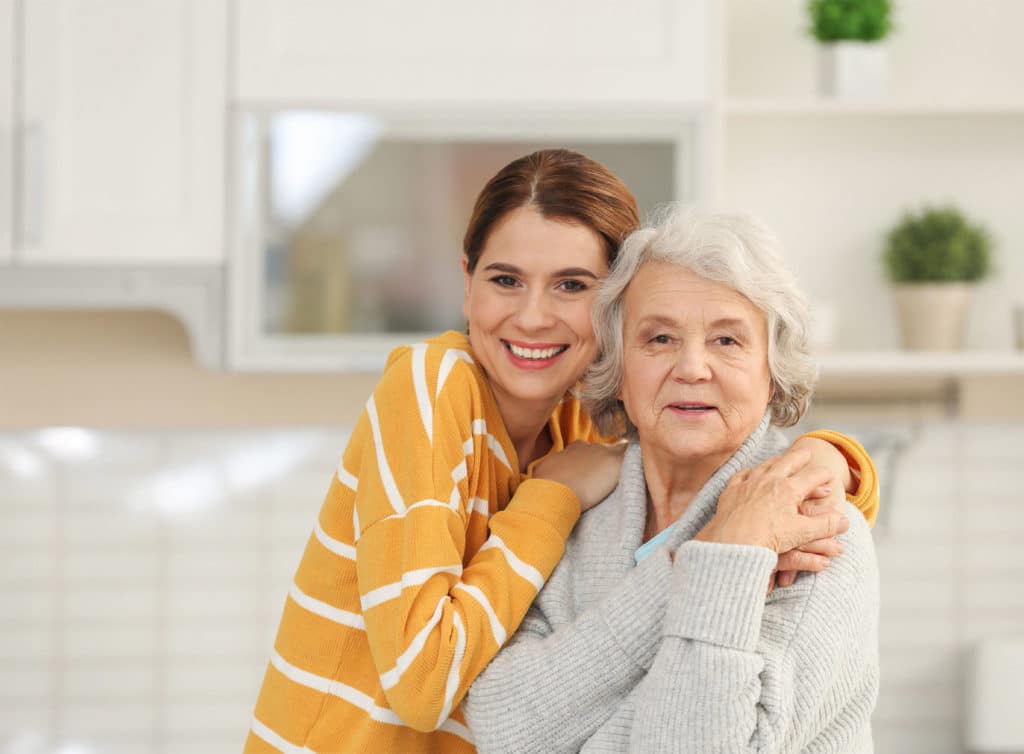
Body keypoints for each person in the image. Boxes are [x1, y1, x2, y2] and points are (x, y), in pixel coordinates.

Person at [245, 153, 879, 754]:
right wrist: (712, 554)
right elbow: (458, 700)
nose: (533, 317)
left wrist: (834, 460)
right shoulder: (438, 392)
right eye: (505, 280)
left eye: (570, 285)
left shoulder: (586, 427)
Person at [464, 207, 879, 754]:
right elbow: (502, 726)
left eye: (727, 341)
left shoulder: (820, 531)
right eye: (659, 338)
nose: (691, 368)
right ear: (618, 371)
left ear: (773, 374)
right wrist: (710, 556)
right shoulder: (575, 519)